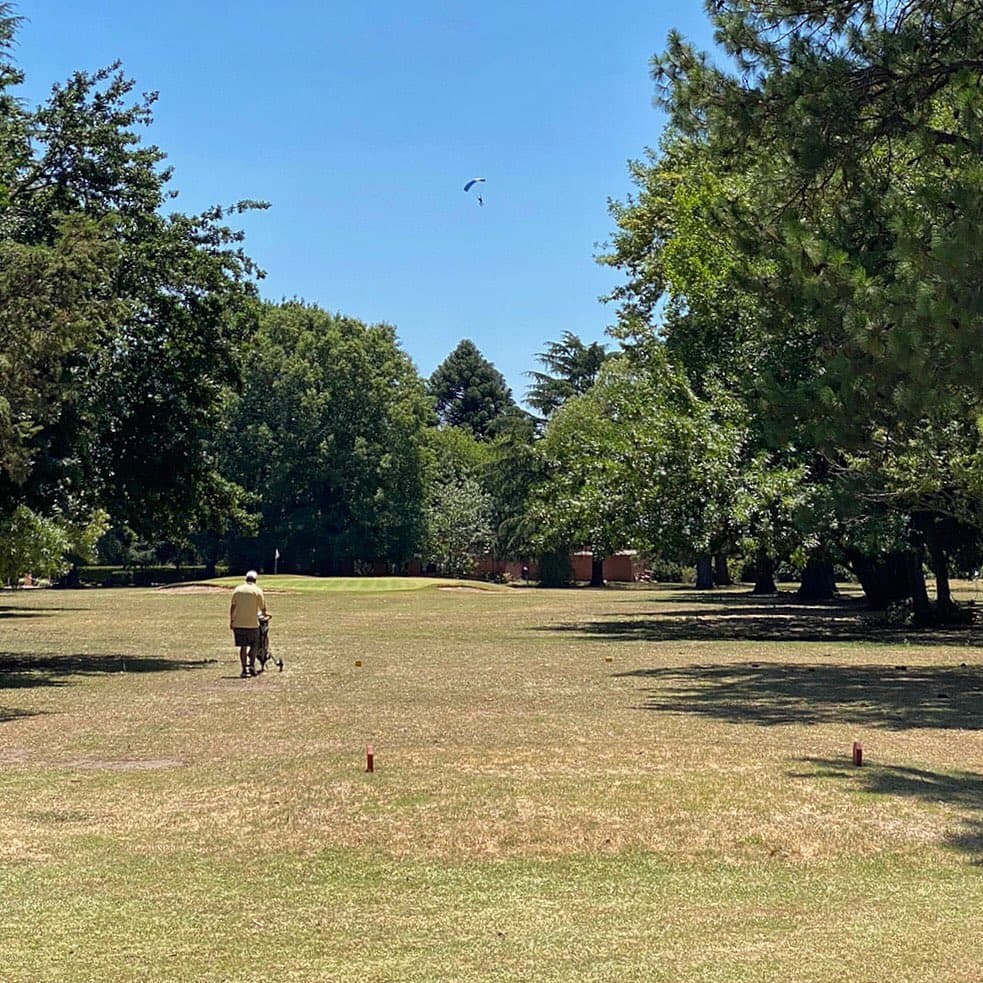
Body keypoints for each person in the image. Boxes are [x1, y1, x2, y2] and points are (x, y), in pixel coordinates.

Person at [229, 570, 269, 678]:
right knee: (255, 644)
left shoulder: (237, 590)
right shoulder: (257, 591)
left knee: (243, 647)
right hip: (252, 624)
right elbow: (263, 609)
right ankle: (251, 665)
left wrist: (231, 621)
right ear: (255, 580)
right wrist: (266, 614)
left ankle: (243, 670)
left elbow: (232, 607)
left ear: (246, 579)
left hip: (239, 623)